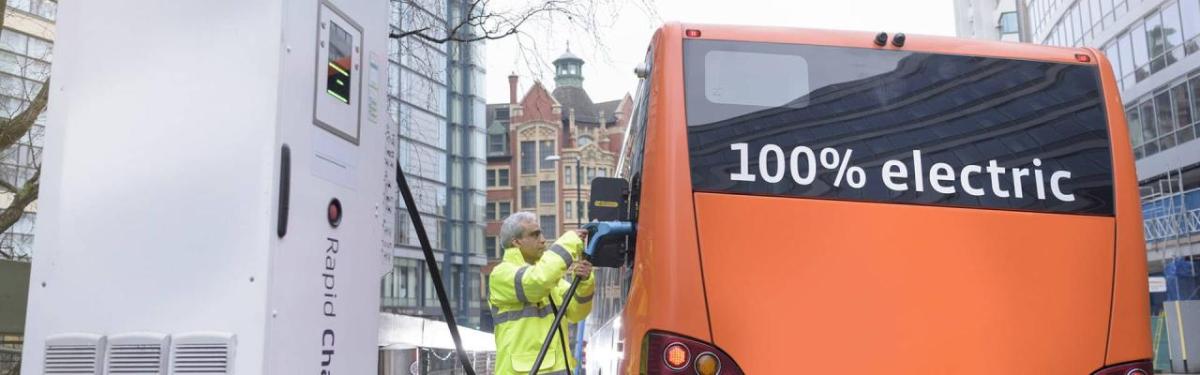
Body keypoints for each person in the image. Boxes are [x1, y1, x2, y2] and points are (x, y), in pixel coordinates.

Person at [489, 211, 595, 375]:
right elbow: (537, 282)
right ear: (516, 242)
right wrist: (569, 242)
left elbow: (576, 313)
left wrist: (584, 282)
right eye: (535, 235)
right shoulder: (501, 274)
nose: (543, 240)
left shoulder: (550, 279)